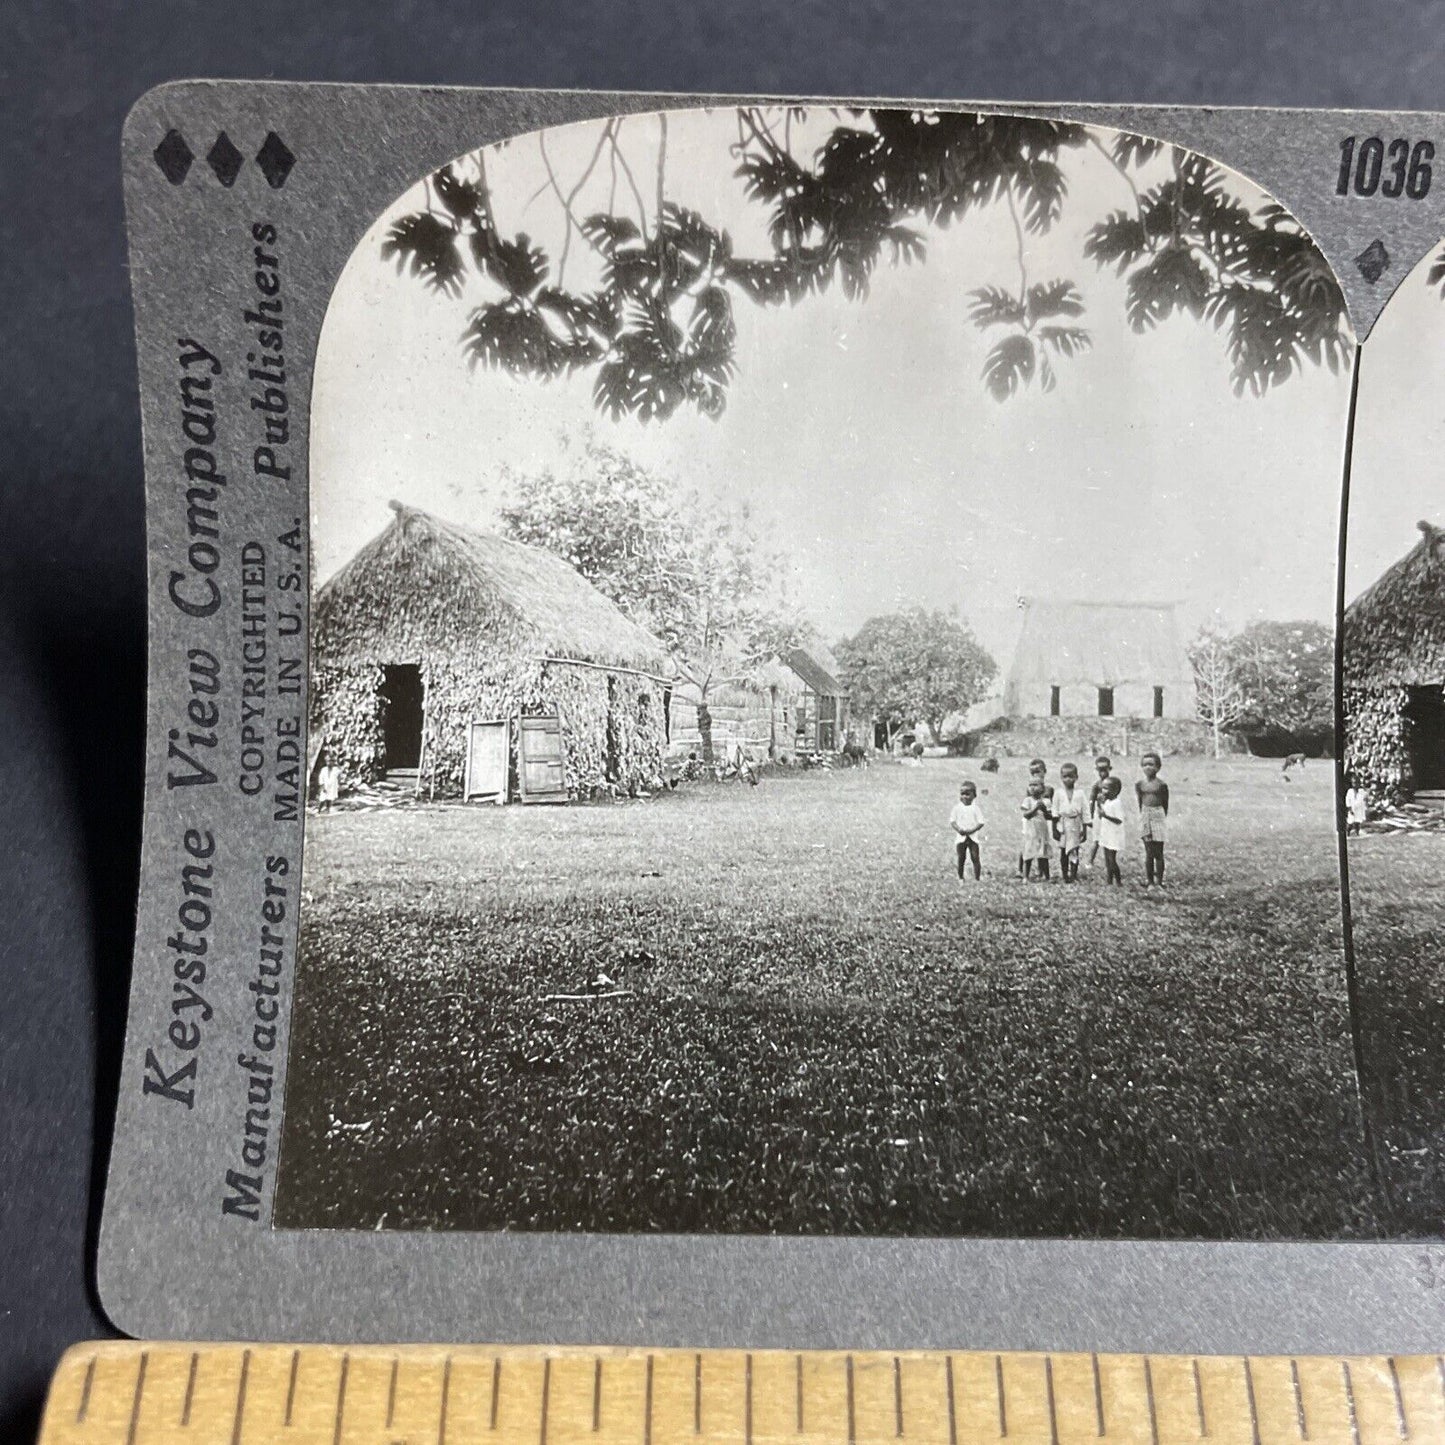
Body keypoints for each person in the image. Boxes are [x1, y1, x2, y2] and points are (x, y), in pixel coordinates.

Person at [1136, 751, 1170, 886]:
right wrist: (1144, 816)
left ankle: (1159, 882)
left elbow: (1165, 803)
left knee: (1159, 852)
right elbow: (1140, 801)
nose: (1148, 767)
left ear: (1158, 767)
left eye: (1151, 764)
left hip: (1158, 815)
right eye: (1144, 765)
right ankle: (1150, 881)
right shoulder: (1140, 784)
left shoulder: (1161, 785)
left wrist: (1160, 817)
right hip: (1145, 816)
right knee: (1149, 852)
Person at [1052, 762, 1089, 881]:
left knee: (1074, 850)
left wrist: (1085, 830)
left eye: (1071, 776)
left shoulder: (1080, 793)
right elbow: (1055, 811)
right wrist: (1054, 829)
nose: (1068, 779)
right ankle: (1064, 874)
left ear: (1076, 777)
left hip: (1075, 824)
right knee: (1063, 851)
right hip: (1062, 824)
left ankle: (1073, 874)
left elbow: (1085, 811)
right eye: (1065, 777)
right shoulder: (1058, 793)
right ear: (1061, 778)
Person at [949, 781, 986, 880]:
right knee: (961, 858)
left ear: (974, 795)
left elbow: (981, 822)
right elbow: (952, 821)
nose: (965, 797)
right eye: (962, 794)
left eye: (968, 794)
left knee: (975, 857)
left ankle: (977, 878)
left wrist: (972, 830)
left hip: (972, 838)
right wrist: (958, 829)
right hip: (961, 838)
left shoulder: (975, 808)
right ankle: (961, 877)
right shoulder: (957, 808)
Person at [1095, 775, 1127, 885]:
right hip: (1106, 833)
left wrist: (1105, 816)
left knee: (1112, 859)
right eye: (1103, 788)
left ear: (1116, 790)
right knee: (1107, 860)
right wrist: (1099, 804)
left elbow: (1119, 820)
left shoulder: (1116, 803)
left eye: (1106, 788)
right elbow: (1101, 815)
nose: (1103, 791)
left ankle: (1118, 881)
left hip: (1114, 835)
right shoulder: (1107, 802)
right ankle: (1109, 880)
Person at [1019, 778, 1052, 881]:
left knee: (1043, 855)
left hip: (1042, 832)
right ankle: (1025, 877)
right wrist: (1035, 808)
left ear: (1042, 788)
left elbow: (1049, 816)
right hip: (1031, 833)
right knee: (1028, 854)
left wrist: (1045, 810)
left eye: (1035, 785)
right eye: (1030, 785)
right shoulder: (1027, 800)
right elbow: (1026, 815)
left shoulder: (1046, 801)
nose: (1032, 787)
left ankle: (1046, 876)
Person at [1087, 754, 1113, 867]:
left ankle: (1109, 862)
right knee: (1096, 840)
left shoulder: (1113, 783)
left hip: (1109, 815)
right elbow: (1091, 800)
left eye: (1105, 769)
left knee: (1109, 840)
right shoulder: (1097, 785)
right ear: (1096, 770)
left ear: (1109, 769)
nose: (1103, 773)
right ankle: (1089, 861)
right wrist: (1090, 816)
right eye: (1100, 770)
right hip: (1099, 815)